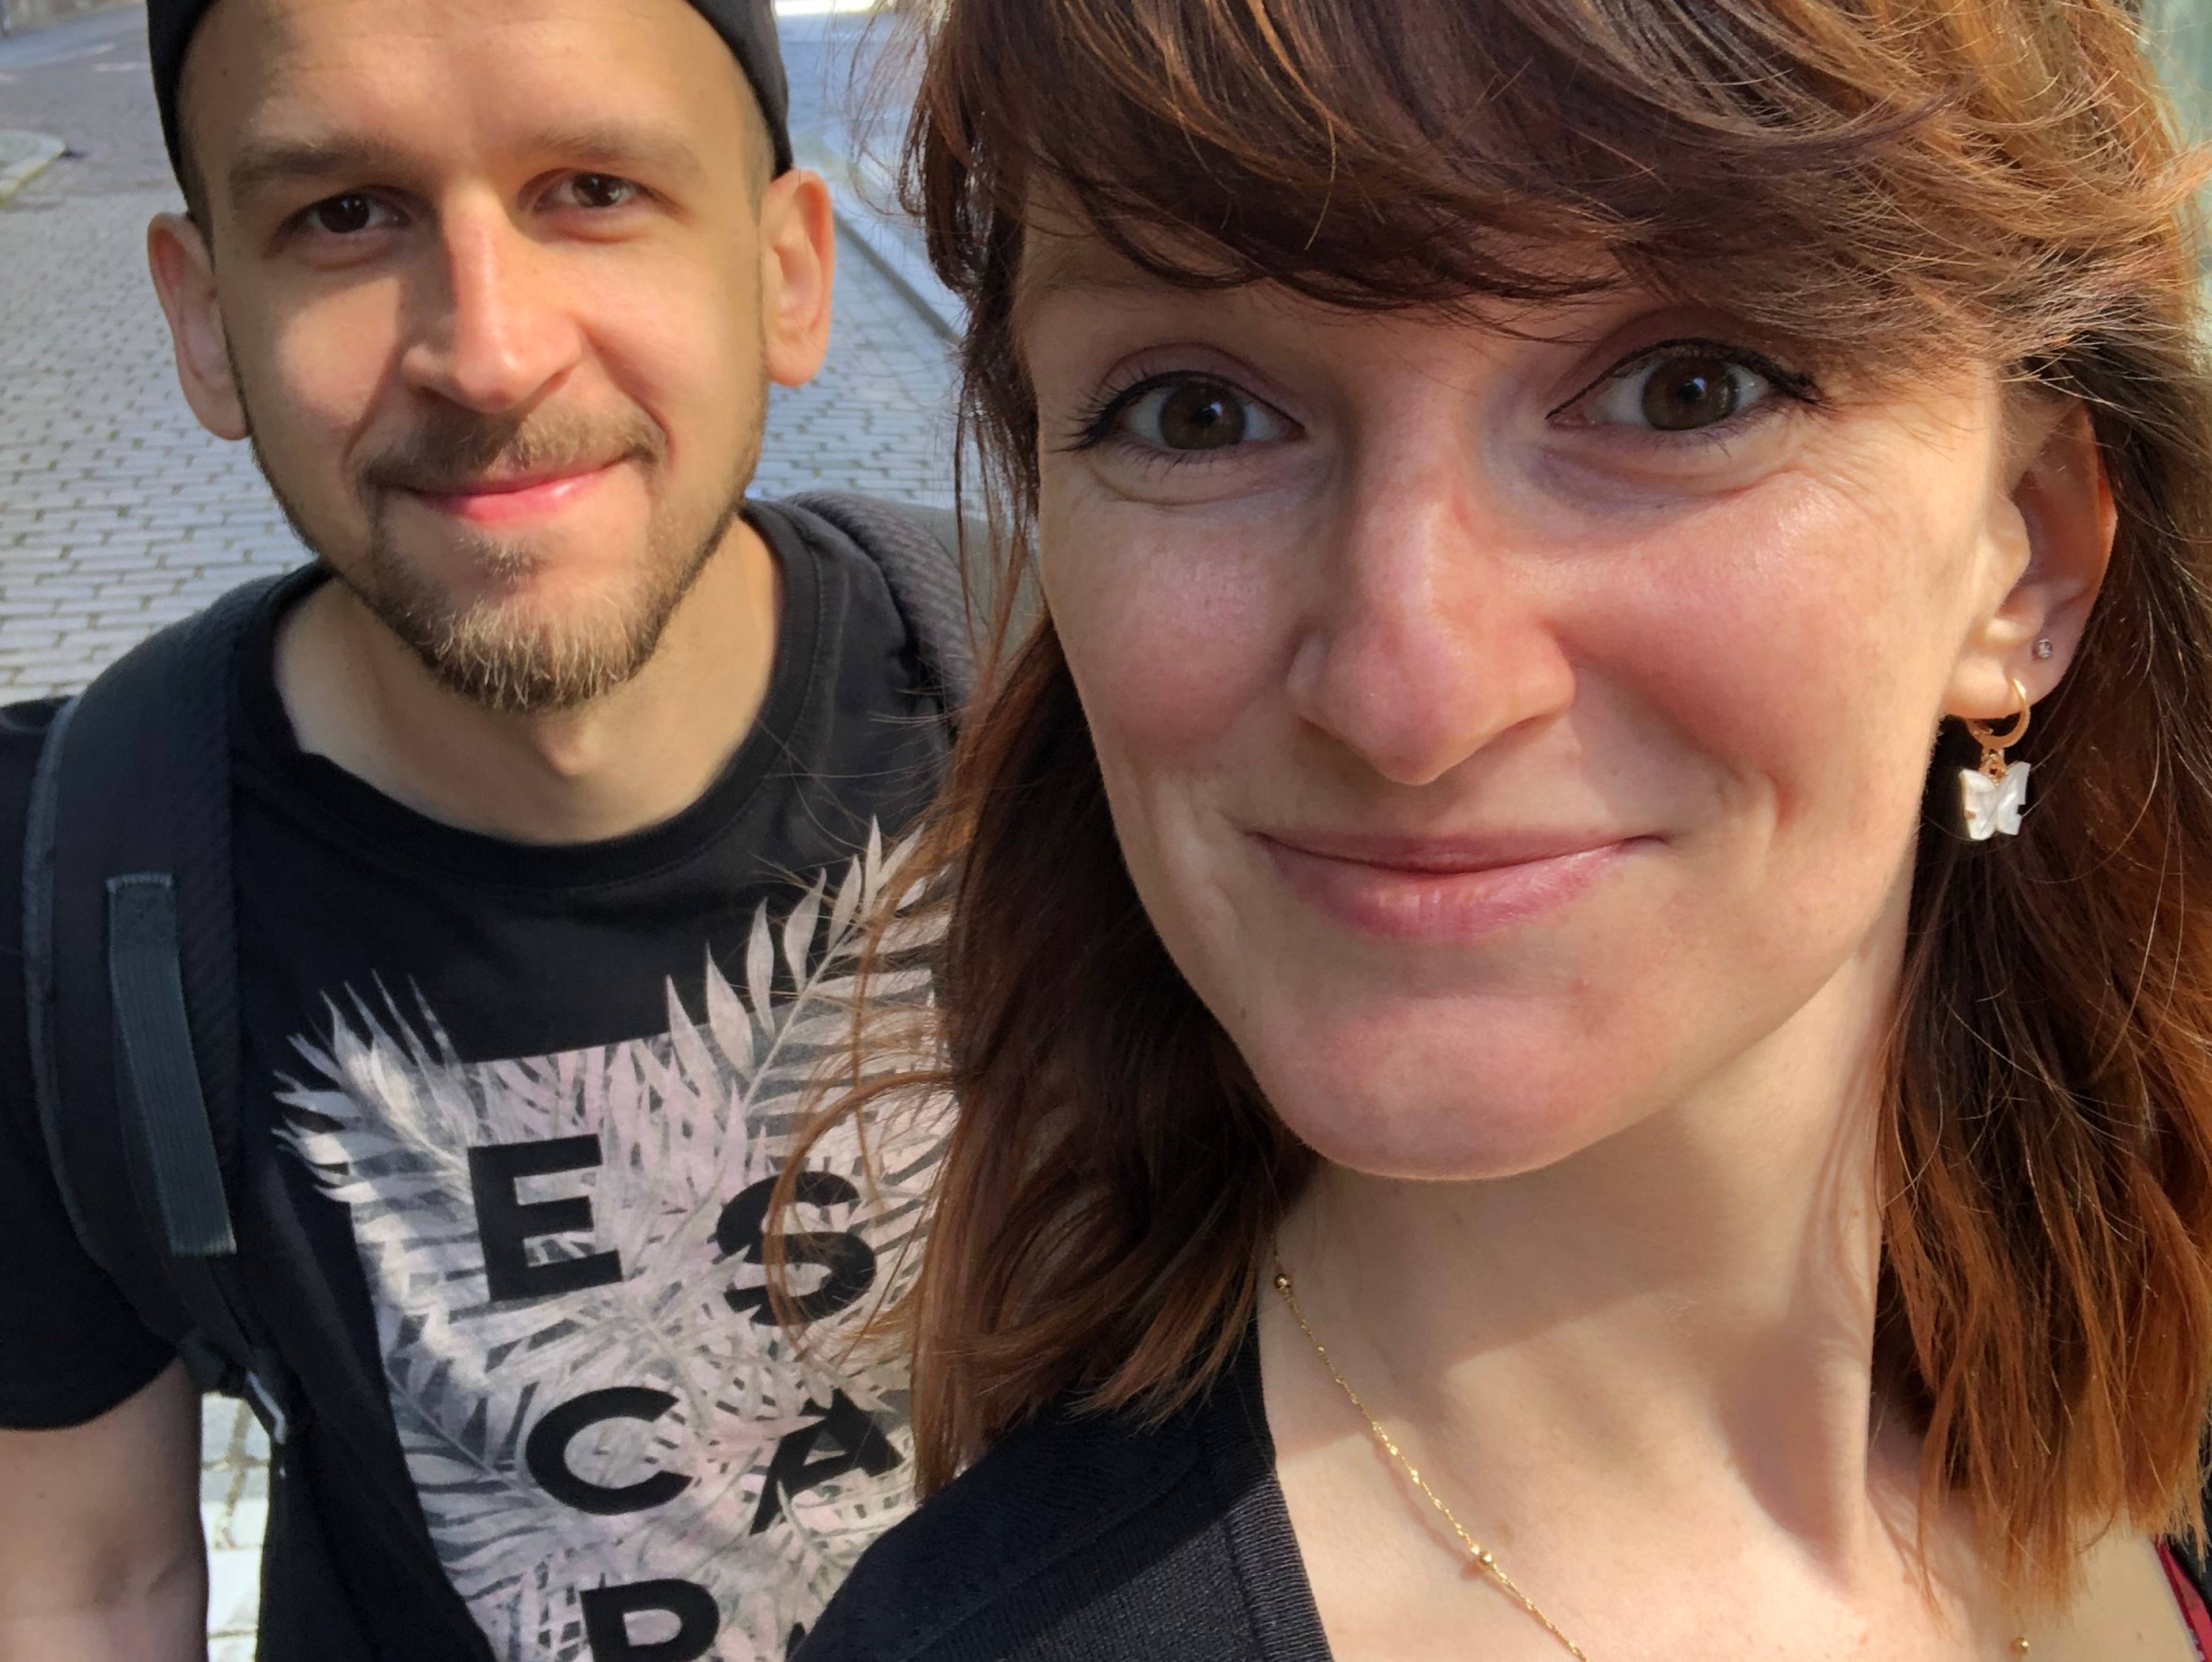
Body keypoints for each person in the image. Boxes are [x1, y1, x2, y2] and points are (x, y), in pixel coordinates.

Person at [789, 0, 2212, 1658]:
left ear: (2026, 556)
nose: (1409, 692)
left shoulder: (2129, 1406)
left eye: (1684, 392)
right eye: (1195, 414)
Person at [0, 1, 960, 1658]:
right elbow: (88, 1582)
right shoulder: (65, 882)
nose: (491, 353)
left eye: (594, 189)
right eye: (344, 215)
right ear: (209, 322)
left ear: (787, 274)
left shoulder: (1079, 718)